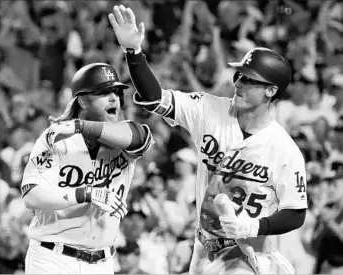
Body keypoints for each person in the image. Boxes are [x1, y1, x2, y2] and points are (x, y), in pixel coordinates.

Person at [108, 5, 308, 274]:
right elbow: (155, 99)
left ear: (270, 91)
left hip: (248, 251)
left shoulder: (284, 148)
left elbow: (296, 212)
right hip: (204, 249)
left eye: (249, 80)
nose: (238, 83)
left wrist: (254, 226)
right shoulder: (208, 109)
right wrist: (133, 52)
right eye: (239, 75)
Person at [21, 62, 153, 274]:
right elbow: (31, 195)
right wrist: (85, 193)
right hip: (53, 258)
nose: (114, 99)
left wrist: (79, 126)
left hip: (102, 262)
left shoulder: (123, 135)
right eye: (104, 92)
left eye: (117, 92)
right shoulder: (56, 138)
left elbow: (141, 137)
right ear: (82, 100)